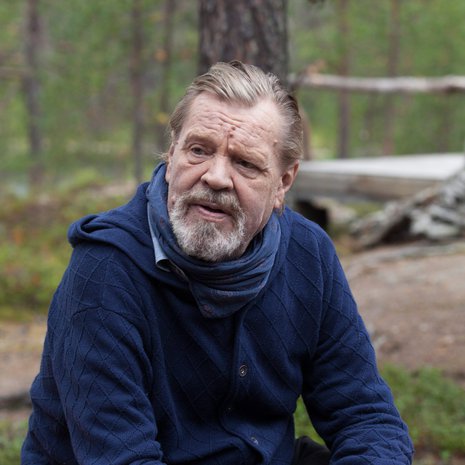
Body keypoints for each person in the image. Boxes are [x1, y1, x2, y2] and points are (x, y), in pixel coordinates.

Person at [21, 61, 413, 465]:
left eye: (245, 163)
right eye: (199, 150)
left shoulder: (307, 253)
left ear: (283, 183)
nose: (216, 177)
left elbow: (365, 416)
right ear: (172, 152)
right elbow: (121, 457)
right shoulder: (105, 272)